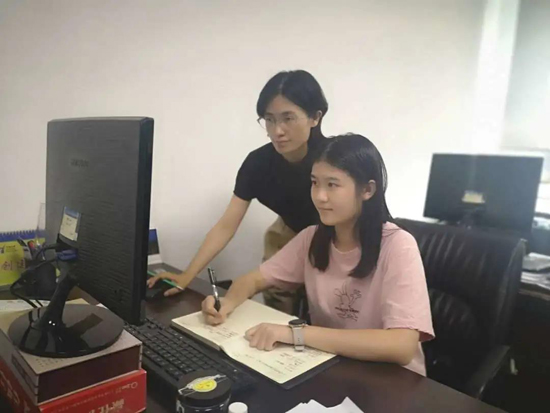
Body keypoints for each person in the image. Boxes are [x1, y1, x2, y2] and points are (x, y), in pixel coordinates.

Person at [201, 134, 434, 375]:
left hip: (393, 380)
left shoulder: (398, 245)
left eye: (332, 184)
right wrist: (227, 303)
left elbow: (402, 346)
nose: (320, 196)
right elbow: (253, 280)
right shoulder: (312, 238)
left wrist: (297, 333)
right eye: (315, 183)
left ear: (367, 190)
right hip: (336, 368)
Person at [148, 70, 329, 315]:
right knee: (279, 314)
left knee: (325, 309)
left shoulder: (335, 160)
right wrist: (186, 276)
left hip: (336, 236)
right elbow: (226, 225)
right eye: (269, 119)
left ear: (315, 117)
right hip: (289, 232)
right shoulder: (258, 164)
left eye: (288, 118)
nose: (278, 130)